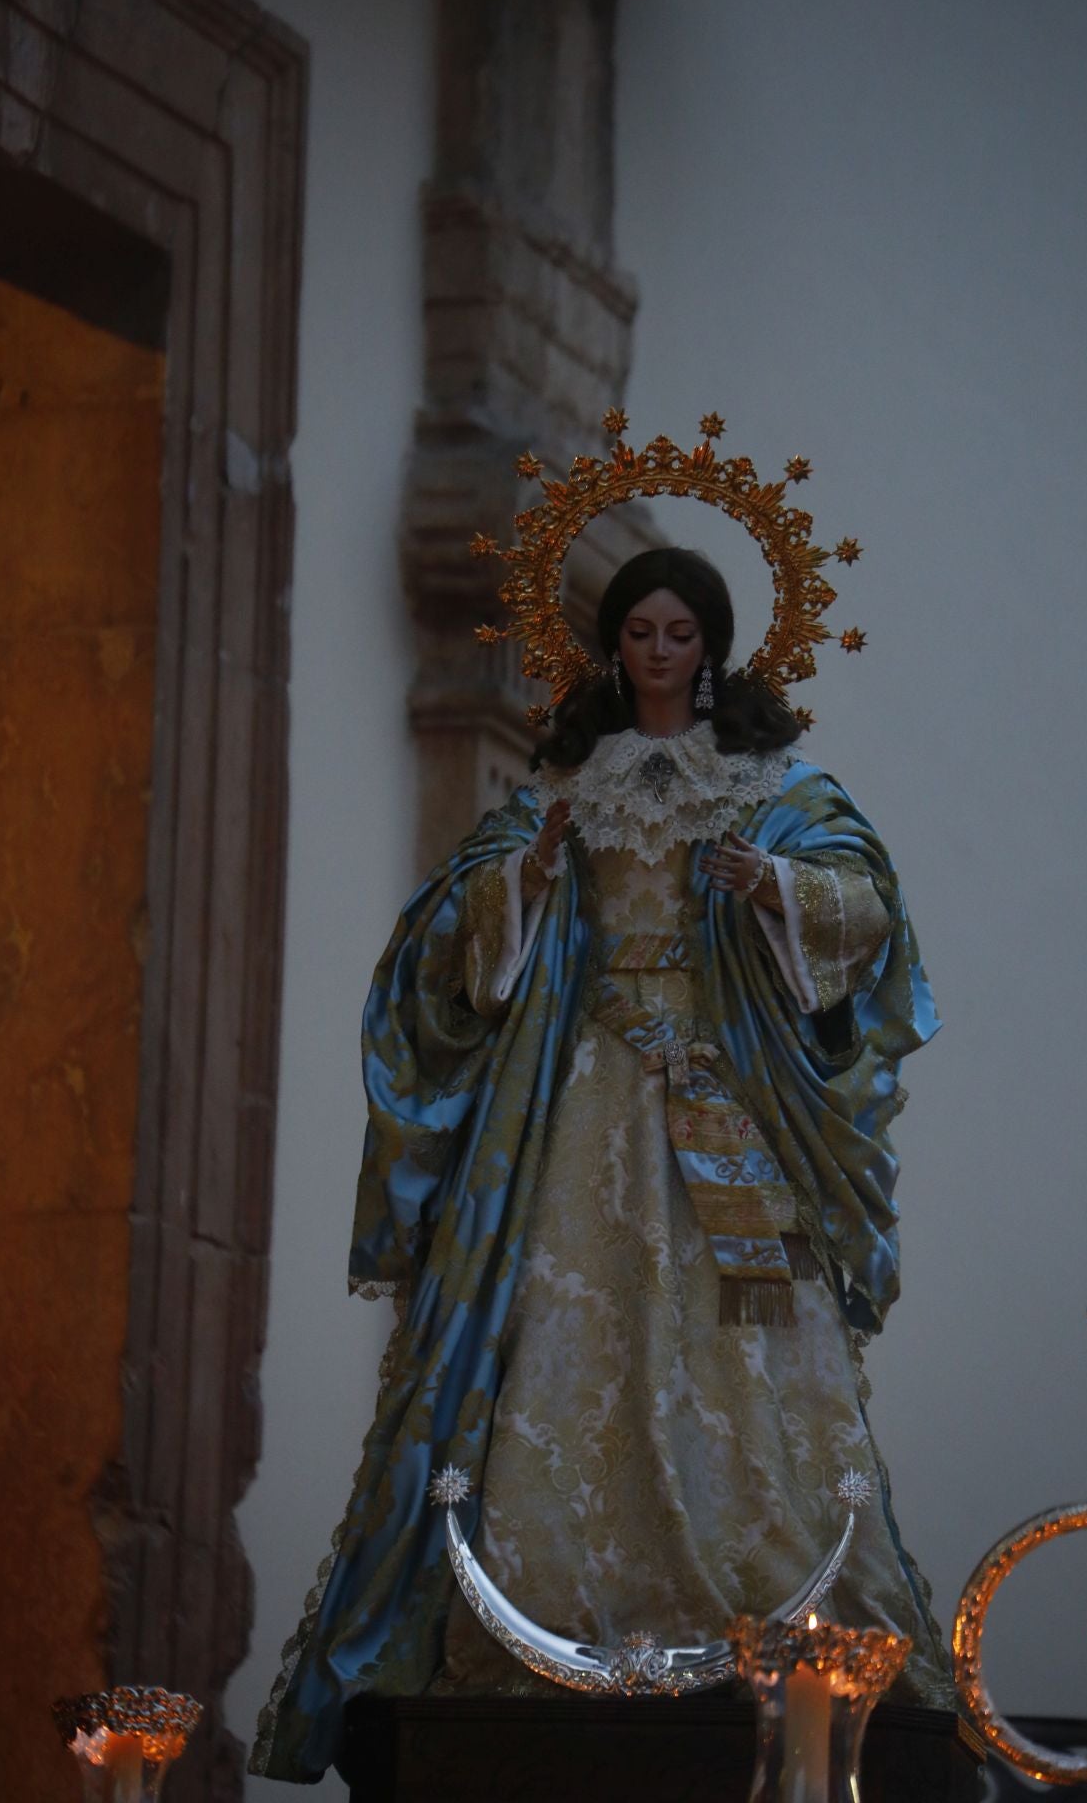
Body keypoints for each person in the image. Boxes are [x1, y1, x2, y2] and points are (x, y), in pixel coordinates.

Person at [252, 547, 953, 1785]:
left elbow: (868, 908)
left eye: (680, 633)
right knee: (569, 1321)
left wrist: (774, 886)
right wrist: (526, 879)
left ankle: (766, 1593)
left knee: (740, 1336)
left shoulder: (770, 788)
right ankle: (553, 1592)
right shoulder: (566, 787)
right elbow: (449, 927)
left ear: (713, 645)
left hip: (719, 1091)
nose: (660, 653)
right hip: (582, 1095)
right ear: (612, 646)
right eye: (640, 632)